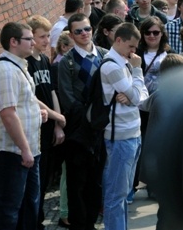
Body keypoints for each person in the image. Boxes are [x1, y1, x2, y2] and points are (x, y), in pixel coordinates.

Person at [0, 22, 48, 230]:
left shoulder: (19, 67)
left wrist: (38, 114)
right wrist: (25, 149)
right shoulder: (5, 71)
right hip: (12, 153)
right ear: (13, 42)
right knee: (8, 212)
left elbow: (20, 105)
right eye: (29, 39)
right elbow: (7, 114)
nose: (34, 43)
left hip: (26, 152)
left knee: (29, 209)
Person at [58, 14, 108, 230]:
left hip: (101, 130)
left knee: (96, 182)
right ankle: (80, 225)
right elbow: (67, 98)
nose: (84, 34)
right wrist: (90, 116)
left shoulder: (105, 56)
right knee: (77, 183)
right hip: (78, 132)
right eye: (78, 31)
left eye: (87, 29)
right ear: (71, 34)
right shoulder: (66, 62)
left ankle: (91, 222)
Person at [101, 23, 149, 230]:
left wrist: (134, 95)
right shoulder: (112, 66)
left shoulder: (123, 63)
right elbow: (138, 96)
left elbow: (141, 97)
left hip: (132, 134)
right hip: (120, 136)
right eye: (130, 46)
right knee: (116, 194)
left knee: (124, 192)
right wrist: (138, 72)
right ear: (118, 40)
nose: (133, 52)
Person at [25, 16, 66, 229]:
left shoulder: (44, 60)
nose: (46, 40)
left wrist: (58, 123)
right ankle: (34, 220)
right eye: (42, 36)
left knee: (46, 176)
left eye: (48, 35)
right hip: (37, 126)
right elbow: (33, 96)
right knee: (37, 178)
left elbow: (51, 90)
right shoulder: (27, 63)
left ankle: (38, 217)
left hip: (50, 124)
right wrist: (55, 116)